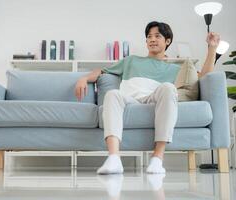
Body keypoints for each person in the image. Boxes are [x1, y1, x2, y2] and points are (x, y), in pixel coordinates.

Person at [74, 21, 220, 174]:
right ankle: (114, 158)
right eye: (149, 37)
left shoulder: (175, 68)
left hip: (153, 100)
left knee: (168, 88)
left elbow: (202, 77)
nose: (152, 39)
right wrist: (84, 78)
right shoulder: (131, 60)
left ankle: (157, 159)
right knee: (112, 94)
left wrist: (212, 48)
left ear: (167, 41)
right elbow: (102, 71)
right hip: (129, 100)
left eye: (157, 36)